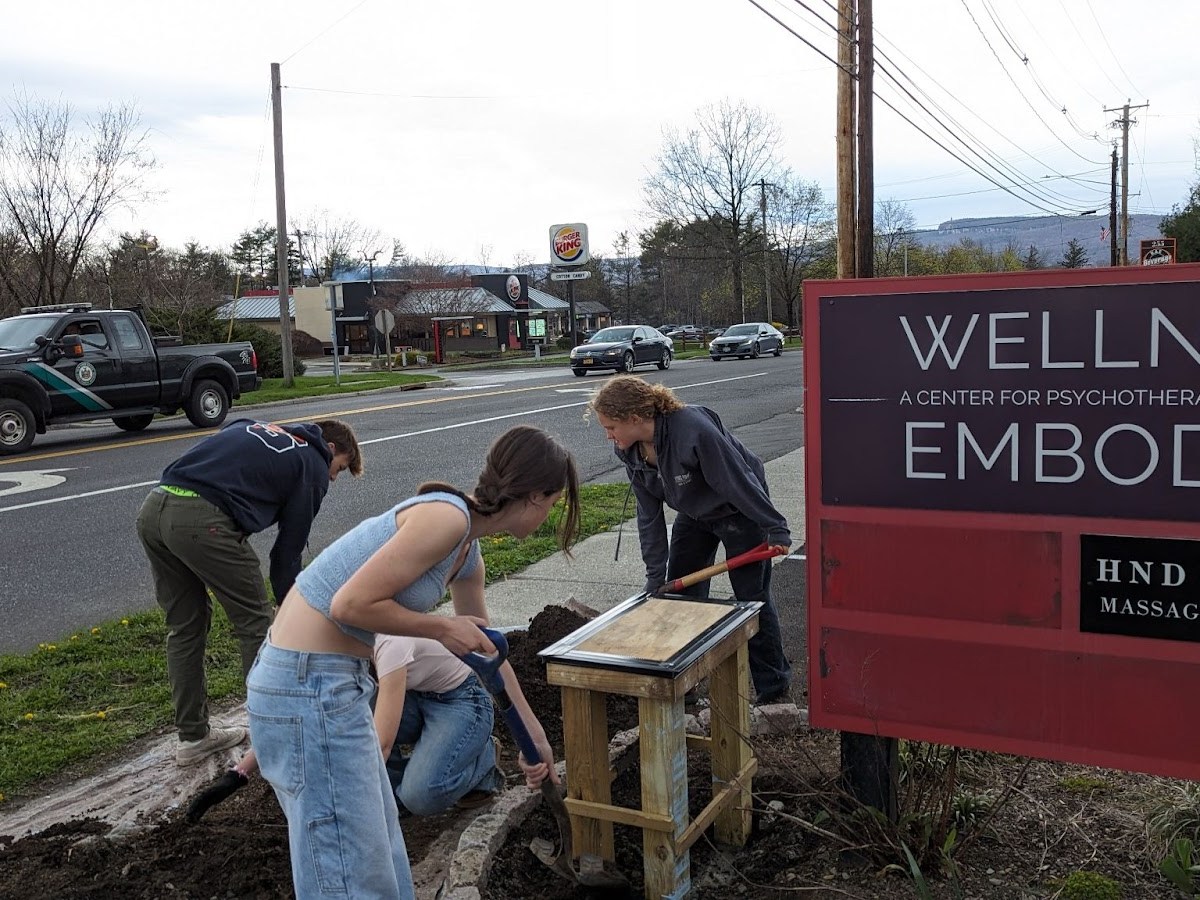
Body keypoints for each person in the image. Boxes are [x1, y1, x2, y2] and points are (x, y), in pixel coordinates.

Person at [247, 423, 579, 899]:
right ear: (534, 495)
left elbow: (488, 652)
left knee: (379, 852)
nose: (550, 515)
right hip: (304, 683)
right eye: (553, 504)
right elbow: (349, 605)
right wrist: (441, 628)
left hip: (333, 684)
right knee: (345, 868)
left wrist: (536, 740)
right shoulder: (446, 518)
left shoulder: (467, 550)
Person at [136, 418, 362, 766]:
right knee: (257, 623)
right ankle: (277, 740)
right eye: (340, 468)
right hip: (201, 520)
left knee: (185, 627)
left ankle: (193, 738)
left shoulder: (258, 427)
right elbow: (286, 555)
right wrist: (294, 611)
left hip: (155, 506)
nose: (332, 478)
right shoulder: (312, 463)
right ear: (330, 449)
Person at [186, 632, 547, 823]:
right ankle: (433, 761)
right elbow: (304, 716)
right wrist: (241, 772)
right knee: (346, 717)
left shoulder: (388, 641)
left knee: (419, 796)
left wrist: (342, 805)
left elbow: (381, 744)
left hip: (460, 700)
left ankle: (481, 759)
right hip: (412, 697)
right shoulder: (330, 649)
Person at [589, 376, 792, 705]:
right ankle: (684, 688)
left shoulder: (693, 431)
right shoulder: (631, 452)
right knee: (680, 597)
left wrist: (775, 526)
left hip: (739, 509)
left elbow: (737, 480)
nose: (608, 435)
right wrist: (655, 576)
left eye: (611, 426)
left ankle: (774, 691)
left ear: (635, 418)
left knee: (751, 599)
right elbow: (649, 515)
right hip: (695, 512)